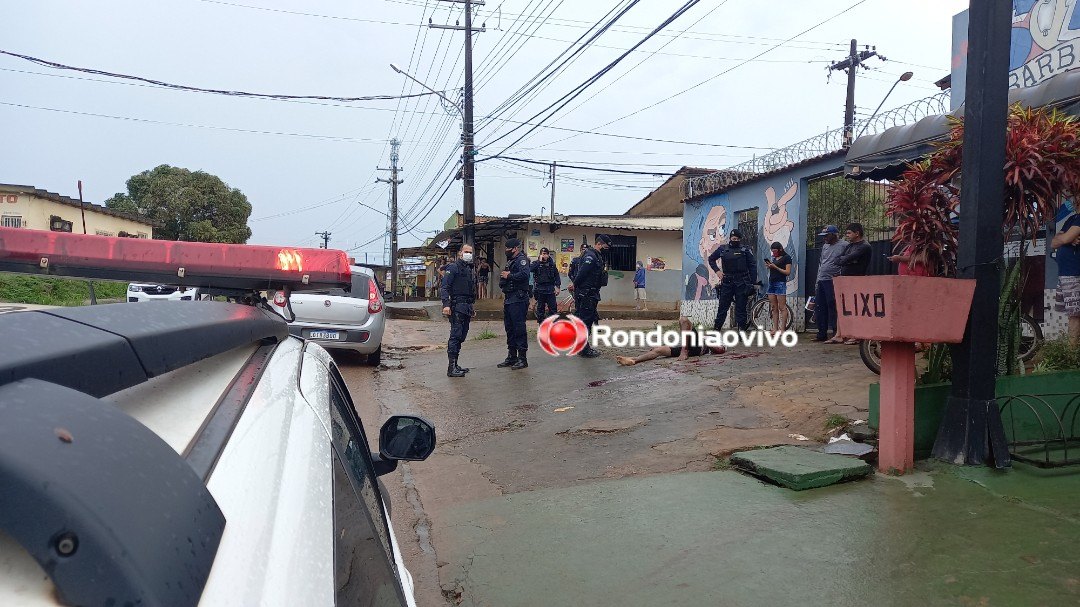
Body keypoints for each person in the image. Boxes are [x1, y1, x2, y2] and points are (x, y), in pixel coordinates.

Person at [616, 316, 725, 365]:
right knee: (658, 350)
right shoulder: (702, 336)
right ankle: (634, 360)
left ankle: (684, 351)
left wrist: (705, 340)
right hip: (691, 348)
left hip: (698, 347)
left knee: (684, 320)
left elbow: (719, 350)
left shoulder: (717, 340)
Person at [708, 228, 757, 332]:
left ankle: (741, 331)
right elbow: (711, 259)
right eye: (733, 238)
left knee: (741, 308)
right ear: (730, 238)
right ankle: (716, 330)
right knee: (722, 307)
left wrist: (752, 283)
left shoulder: (745, 250)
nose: (735, 240)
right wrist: (717, 271)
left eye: (737, 239)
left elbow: (752, 266)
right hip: (727, 282)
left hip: (742, 282)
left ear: (740, 239)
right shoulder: (722, 249)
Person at [571, 234, 612, 358]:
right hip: (587, 293)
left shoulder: (596, 255)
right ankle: (583, 349)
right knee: (586, 321)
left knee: (587, 320)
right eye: (605, 246)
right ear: (599, 244)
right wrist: (575, 284)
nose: (607, 248)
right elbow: (583, 272)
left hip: (591, 293)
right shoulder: (591, 256)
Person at [832, 222, 872, 345]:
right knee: (841, 306)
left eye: (849, 233)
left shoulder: (864, 246)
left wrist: (847, 260)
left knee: (856, 307)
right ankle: (839, 334)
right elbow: (837, 260)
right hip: (845, 279)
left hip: (857, 280)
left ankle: (856, 335)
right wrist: (848, 260)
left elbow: (845, 259)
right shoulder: (849, 246)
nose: (847, 235)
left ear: (857, 233)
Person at [440, 245, 477, 378]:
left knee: (462, 336)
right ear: (460, 253)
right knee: (455, 336)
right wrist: (446, 304)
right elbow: (445, 287)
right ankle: (451, 367)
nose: (468, 254)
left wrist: (472, 307)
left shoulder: (468, 269)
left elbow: (470, 290)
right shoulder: (453, 267)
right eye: (466, 252)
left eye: (470, 252)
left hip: (466, 306)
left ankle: (456, 365)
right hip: (456, 306)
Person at [498, 238, 532, 369]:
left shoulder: (521, 260)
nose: (506, 251)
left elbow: (525, 275)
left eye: (508, 249)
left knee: (519, 329)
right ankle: (512, 356)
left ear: (515, 249)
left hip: (519, 298)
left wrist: (509, 276)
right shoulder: (511, 261)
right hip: (509, 298)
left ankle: (522, 358)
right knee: (510, 328)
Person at [814, 225, 848, 343]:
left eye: (827, 236)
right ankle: (821, 334)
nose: (825, 238)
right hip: (822, 279)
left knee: (832, 305)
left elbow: (846, 260)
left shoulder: (844, 245)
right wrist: (817, 280)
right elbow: (821, 263)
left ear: (834, 235)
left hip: (833, 279)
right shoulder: (825, 246)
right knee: (820, 306)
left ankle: (836, 332)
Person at [1051, 212, 1080, 346]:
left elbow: (1063, 239)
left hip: (1075, 272)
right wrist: (1065, 238)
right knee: (1072, 315)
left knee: (1075, 315)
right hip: (1066, 273)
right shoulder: (1071, 218)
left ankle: (1071, 354)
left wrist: (1065, 238)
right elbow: (1054, 242)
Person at [763, 242, 792, 333]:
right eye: (772, 251)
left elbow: (787, 272)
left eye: (775, 251)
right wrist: (770, 266)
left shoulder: (787, 258)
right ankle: (775, 328)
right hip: (772, 282)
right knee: (774, 307)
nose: (774, 253)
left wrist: (775, 267)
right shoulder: (774, 258)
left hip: (780, 283)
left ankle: (782, 329)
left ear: (780, 249)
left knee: (782, 307)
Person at [531, 247, 561, 323]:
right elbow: (530, 269)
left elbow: (556, 275)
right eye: (543, 254)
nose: (545, 256)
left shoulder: (551, 264)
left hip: (550, 289)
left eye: (547, 254)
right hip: (540, 290)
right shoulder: (536, 263)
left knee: (553, 310)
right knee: (540, 310)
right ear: (540, 255)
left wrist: (558, 287)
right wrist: (539, 261)